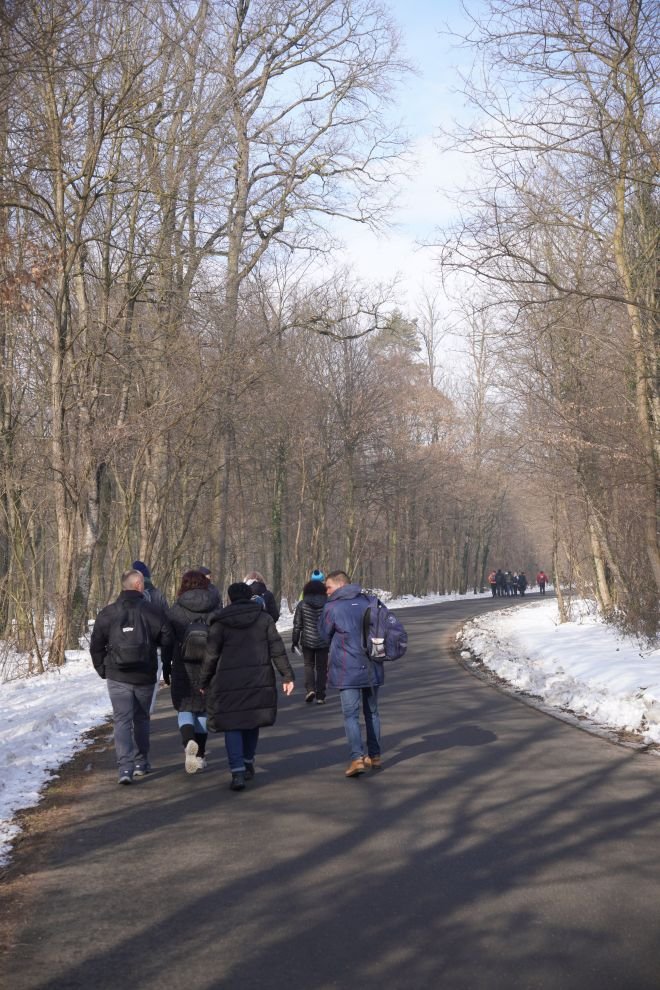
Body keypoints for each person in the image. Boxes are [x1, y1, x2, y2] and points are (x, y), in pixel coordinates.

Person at [200, 582, 294, 791]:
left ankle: (237, 772)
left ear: (230, 598)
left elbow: (211, 656)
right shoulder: (264, 619)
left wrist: (204, 681)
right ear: (250, 596)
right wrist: (287, 675)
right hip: (258, 678)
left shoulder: (220, 623)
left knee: (233, 725)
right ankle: (248, 760)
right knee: (252, 719)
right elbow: (277, 649)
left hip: (227, 681)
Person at [90, 569, 173, 784]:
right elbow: (167, 638)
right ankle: (140, 762)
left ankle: (124, 768)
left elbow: (96, 644)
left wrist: (102, 668)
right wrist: (165, 661)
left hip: (117, 675)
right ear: (138, 586)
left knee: (122, 720)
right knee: (141, 718)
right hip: (144, 673)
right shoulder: (153, 611)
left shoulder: (108, 612)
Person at [319, 570, 384, 778]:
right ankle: (375, 756)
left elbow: (323, 635)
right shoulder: (371, 602)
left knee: (351, 715)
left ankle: (357, 758)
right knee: (372, 713)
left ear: (339, 585)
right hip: (372, 665)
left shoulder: (332, 607)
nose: (326, 591)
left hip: (346, 668)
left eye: (328, 587)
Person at [165, 570, 221, 774]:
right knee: (204, 709)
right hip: (209, 663)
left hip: (182, 664)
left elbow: (167, 640)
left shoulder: (176, 610)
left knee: (185, 707)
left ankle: (188, 741)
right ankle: (200, 755)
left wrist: (166, 665)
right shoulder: (215, 607)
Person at [292, 577, 330, 704]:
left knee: (308, 665)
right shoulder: (328, 603)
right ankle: (320, 695)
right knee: (322, 667)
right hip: (323, 640)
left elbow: (297, 625)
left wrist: (294, 641)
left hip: (307, 640)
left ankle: (310, 689)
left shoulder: (302, 604)